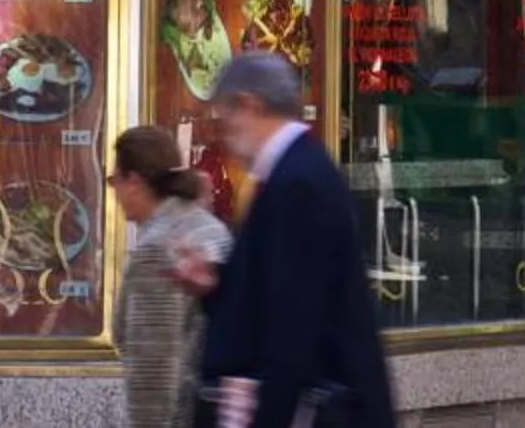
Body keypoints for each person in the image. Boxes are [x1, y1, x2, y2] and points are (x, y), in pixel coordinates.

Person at [184, 53, 394, 428]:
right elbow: (271, 293)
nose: (226, 139)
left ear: (250, 105)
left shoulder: (297, 180)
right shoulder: (290, 171)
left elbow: (294, 324)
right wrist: (214, 283)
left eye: (227, 122)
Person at [109, 125, 231, 428]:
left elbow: (153, 376)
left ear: (134, 181)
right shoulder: (210, 228)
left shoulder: (158, 249)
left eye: (114, 181)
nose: (115, 193)